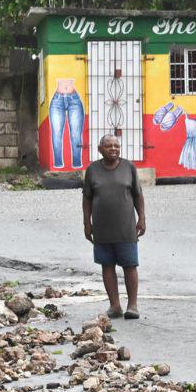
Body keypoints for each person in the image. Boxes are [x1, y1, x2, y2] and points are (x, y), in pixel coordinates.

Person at [82, 134, 146, 319]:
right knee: (107, 265)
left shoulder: (129, 167)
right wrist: (87, 223)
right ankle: (115, 306)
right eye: (108, 146)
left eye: (116, 146)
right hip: (101, 228)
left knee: (130, 265)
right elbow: (87, 198)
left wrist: (141, 218)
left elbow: (138, 195)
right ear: (100, 149)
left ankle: (132, 306)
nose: (113, 149)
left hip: (126, 227)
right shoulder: (92, 170)